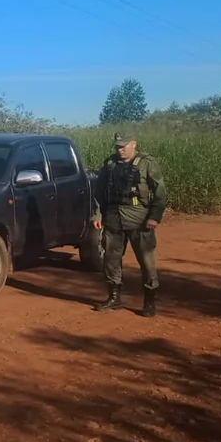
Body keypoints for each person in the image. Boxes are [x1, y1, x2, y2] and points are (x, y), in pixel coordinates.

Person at [91, 131, 169, 317]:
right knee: (111, 259)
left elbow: (160, 192)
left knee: (146, 261)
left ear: (134, 144)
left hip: (139, 219)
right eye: (117, 146)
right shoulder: (109, 164)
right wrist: (98, 215)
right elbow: (99, 191)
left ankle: (149, 301)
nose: (120, 149)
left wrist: (154, 217)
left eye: (124, 146)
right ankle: (114, 298)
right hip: (113, 218)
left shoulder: (147, 163)